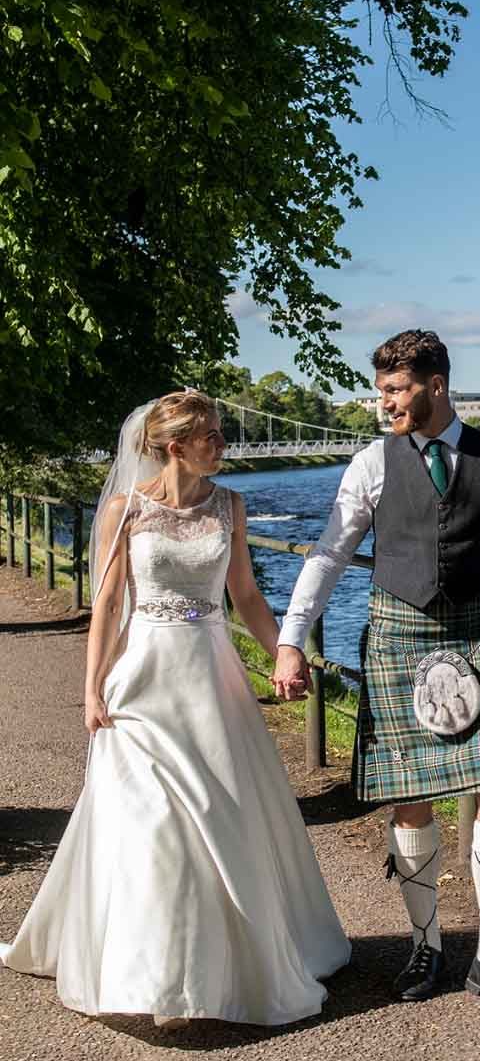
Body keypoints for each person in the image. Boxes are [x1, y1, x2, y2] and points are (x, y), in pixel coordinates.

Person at [0, 391, 350, 1027]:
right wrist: (92, 687)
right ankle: (160, 980)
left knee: (219, 817)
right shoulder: (123, 510)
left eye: (220, 433)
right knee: (153, 824)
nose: (223, 445)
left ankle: (217, 966)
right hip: (144, 679)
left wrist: (283, 655)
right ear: (174, 446)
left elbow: (243, 593)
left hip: (211, 678)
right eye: (212, 436)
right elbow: (107, 605)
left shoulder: (231, 506)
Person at [273, 330, 480, 1018]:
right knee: (412, 797)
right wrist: (290, 641)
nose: (386, 405)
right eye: (382, 393)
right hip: (401, 635)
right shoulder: (372, 463)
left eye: (396, 391)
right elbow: (328, 555)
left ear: (436, 385)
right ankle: (427, 944)